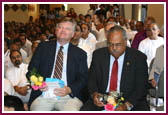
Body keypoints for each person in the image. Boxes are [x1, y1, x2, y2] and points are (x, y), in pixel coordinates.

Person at [80, 26, 149, 111]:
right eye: (110, 44)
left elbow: (141, 87)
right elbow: (91, 80)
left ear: (125, 41)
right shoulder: (98, 55)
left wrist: (127, 105)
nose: (114, 48)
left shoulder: (138, 58)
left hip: (129, 98)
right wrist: (94, 94)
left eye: (118, 44)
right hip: (104, 97)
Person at [26, 17, 88, 111]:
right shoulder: (43, 47)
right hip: (43, 93)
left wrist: (70, 89)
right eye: (60, 27)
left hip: (68, 96)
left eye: (67, 28)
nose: (63, 30)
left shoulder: (80, 54)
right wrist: (39, 83)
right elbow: (31, 70)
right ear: (55, 31)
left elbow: (83, 78)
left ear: (73, 34)